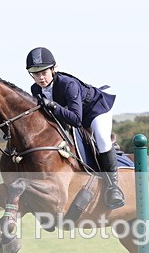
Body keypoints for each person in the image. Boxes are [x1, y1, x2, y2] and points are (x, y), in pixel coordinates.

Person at [25, 47, 125, 209]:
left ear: (53, 69)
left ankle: (114, 187)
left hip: (95, 109)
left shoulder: (68, 84)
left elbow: (76, 120)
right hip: (71, 113)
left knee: (101, 139)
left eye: (44, 72)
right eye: (36, 74)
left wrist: (53, 106)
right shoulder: (35, 89)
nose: (41, 78)